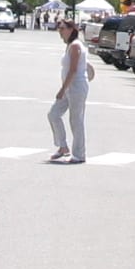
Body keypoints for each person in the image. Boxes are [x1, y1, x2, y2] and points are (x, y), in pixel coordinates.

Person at [47, 19, 92, 164]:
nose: (60, 31)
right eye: (59, 28)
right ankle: (62, 146)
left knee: (76, 120)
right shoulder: (70, 46)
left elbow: (73, 70)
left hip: (76, 87)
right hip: (69, 87)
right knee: (53, 114)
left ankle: (79, 154)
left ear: (71, 29)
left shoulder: (75, 46)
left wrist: (62, 89)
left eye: (62, 28)